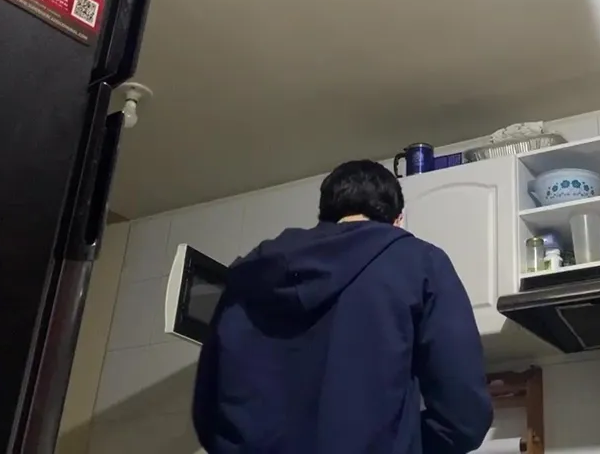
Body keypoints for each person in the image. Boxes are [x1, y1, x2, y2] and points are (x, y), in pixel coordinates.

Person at [192, 160, 493, 454]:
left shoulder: (250, 273)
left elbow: (208, 410)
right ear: (398, 219)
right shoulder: (420, 262)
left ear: (324, 214)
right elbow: (464, 418)